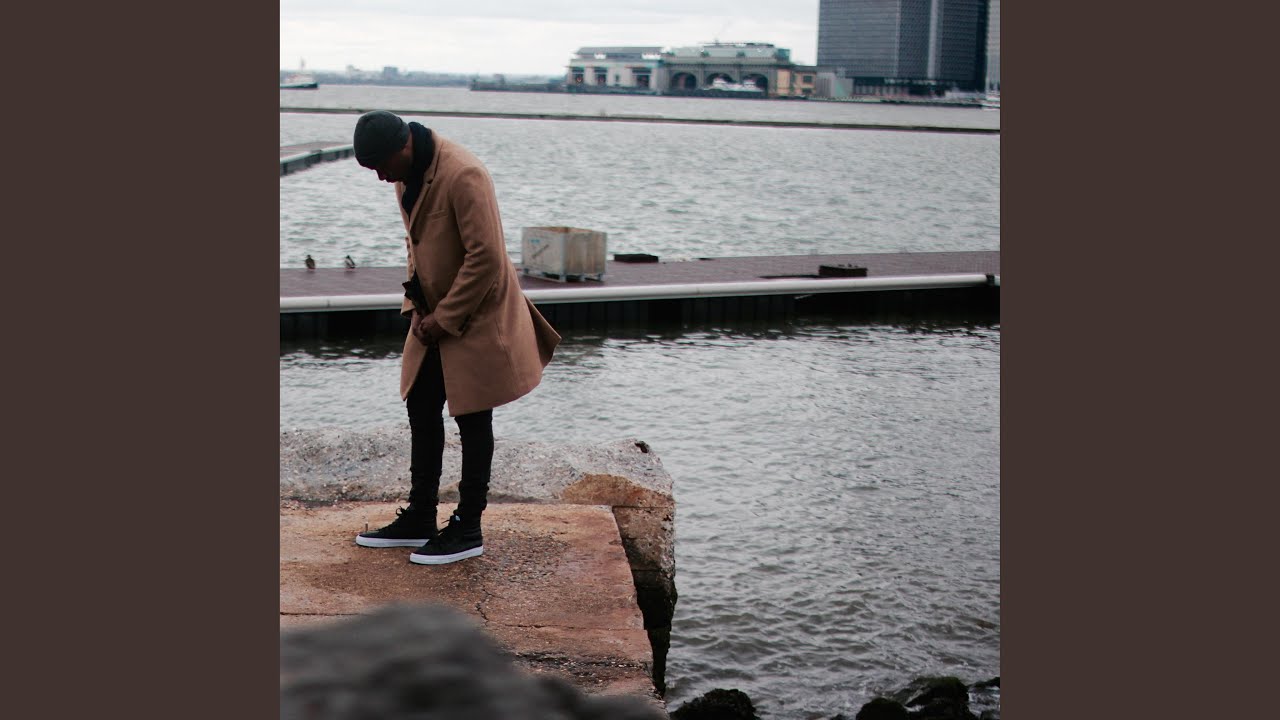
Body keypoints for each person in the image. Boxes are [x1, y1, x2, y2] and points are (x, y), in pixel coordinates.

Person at [350, 110, 560, 565]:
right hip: (432, 312)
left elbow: (486, 258)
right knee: (421, 404)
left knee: (472, 416)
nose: (382, 178)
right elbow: (416, 247)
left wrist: (444, 319)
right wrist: (415, 306)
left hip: (477, 311)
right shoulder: (406, 174)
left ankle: (468, 526)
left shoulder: (464, 174)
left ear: (404, 146)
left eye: (382, 167)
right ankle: (421, 516)